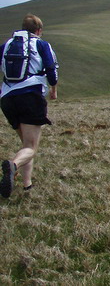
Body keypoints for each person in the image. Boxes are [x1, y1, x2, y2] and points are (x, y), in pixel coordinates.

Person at [1, 14, 58, 198]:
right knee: (31, 147)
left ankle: (27, 184)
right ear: (39, 31)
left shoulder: (7, 46)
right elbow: (51, 69)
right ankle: (13, 165)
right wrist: (53, 89)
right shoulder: (41, 44)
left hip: (7, 99)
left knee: (26, 143)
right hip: (30, 96)